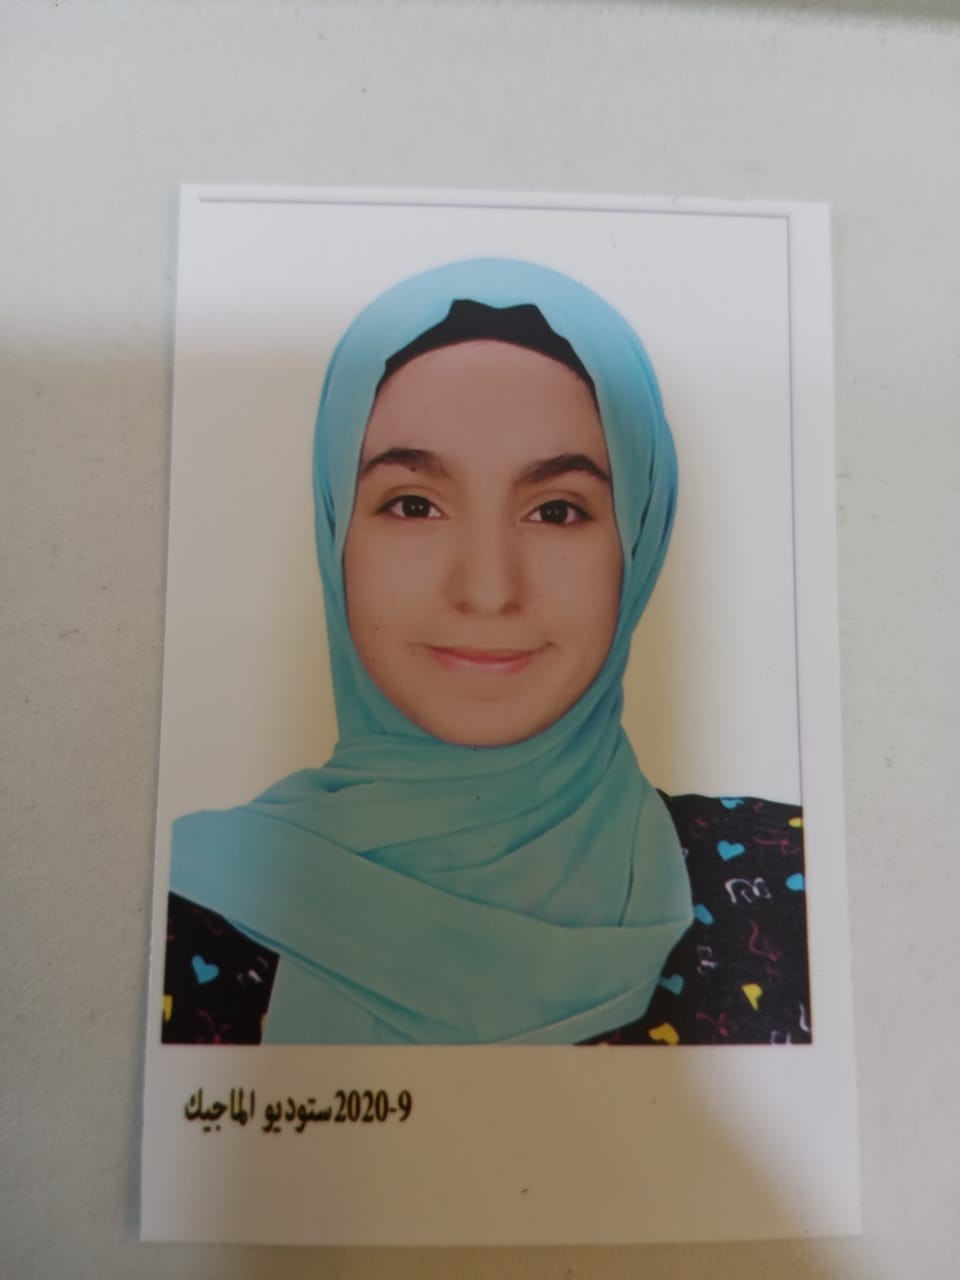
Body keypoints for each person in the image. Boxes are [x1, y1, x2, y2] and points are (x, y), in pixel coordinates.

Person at [163, 259, 810, 1046]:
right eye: (414, 505)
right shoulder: (173, 919)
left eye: (556, 511)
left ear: (638, 541)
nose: (488, 589)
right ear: (337, 533)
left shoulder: (790, 885)